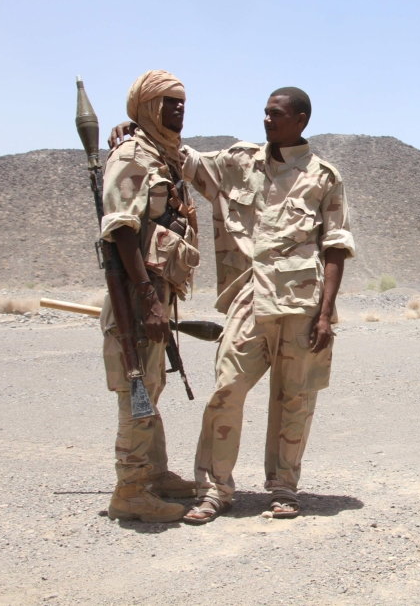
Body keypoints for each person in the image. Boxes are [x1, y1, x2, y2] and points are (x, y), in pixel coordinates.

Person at [112, 87, 355, 523]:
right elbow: (179, 158)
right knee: (227, 390)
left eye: (277, 115)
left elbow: (336, 246)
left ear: (301, 120)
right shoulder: (238, 162)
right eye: (264, 113)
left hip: (302, 303)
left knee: (294, 398)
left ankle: (283, 487)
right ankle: (213, 489)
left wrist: (326, 312)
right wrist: (139, 130)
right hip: (249, 297)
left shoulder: (325, 178)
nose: (267, 121)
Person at [100, 70, 201, 523]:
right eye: (168, 102)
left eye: (182, 101)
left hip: (154, 294)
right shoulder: (132, 155)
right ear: (145, 107)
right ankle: (130, 489)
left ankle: (154, 474)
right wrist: (148, 297)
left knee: (152, 385)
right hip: (135, 299)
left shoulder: (166, 155)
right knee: (136, 389)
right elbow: (121, 230)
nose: (178, 109)